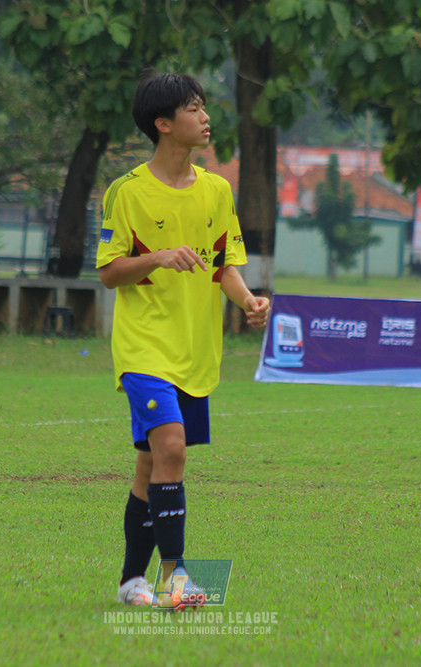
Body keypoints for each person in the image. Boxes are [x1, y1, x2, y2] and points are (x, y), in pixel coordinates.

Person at [97, 72, 271, 609]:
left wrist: (248, 301)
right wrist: (158, 255)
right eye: (194, 109)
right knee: (170, 445)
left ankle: (131, 581)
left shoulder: (217, 190)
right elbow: (109, 272)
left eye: (204, 108)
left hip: (196, 352)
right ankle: (177, 579)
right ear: (164, 124)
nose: (205, 117)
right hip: (144, 346)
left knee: (152, 464)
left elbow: (225, 267)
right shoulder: (126, 192)